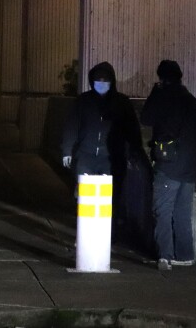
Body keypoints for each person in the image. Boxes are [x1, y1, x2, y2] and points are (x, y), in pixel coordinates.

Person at [60, 61, 143, 238]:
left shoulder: (121, 102)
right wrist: (67, 150)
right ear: (92, 81)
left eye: (106, 80)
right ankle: (85, 235)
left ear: (112, 82)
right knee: (85, 197)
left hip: (112, 158)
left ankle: (108, 235)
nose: (102, 84)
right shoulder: (83, 101)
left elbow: (132, 129)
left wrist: (134, 152)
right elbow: (71, 125)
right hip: (86, 156)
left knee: (111, 198)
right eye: (98, 80)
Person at [140, 60, 196, 271]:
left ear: (162, 77)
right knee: (182, 213)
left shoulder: (163, 97)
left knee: (163, 210)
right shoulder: (191, 101)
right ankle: (185, 255)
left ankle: (165, 256)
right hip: (190, 167)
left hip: (168, 165)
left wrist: (155, 92)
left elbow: (146, 118)